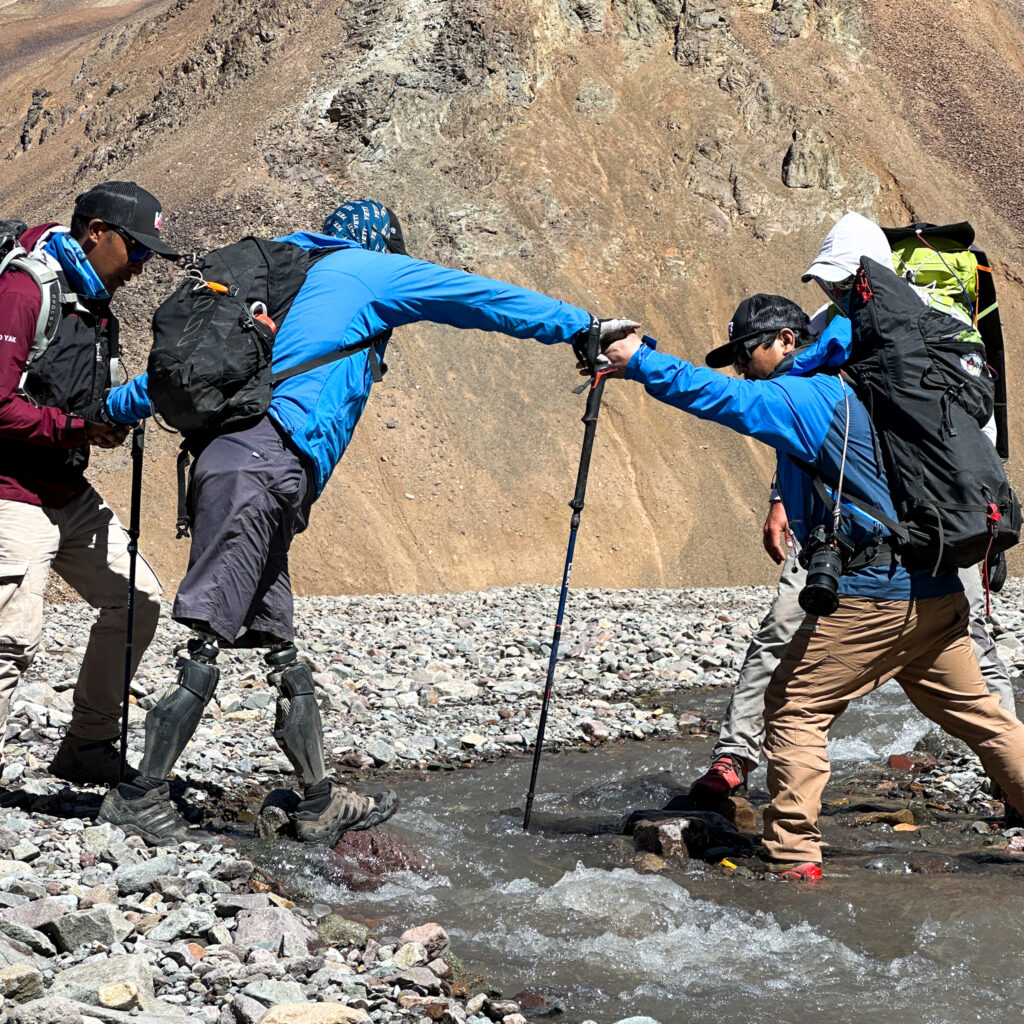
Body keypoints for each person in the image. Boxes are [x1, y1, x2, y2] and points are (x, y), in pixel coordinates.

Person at [97, 199, 636, 846]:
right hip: (265, 465)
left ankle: (320, 799)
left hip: (251, 467)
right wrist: (581, 327)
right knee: (208, 637)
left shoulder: (293, 278)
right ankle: (139, 795)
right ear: (385, 244)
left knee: (276, 638)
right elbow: (473, 296)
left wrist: (108, 409)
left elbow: (181, 378)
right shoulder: (367, 271)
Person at [601, 293, 1024, 880]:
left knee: (794, 707)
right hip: (937, 587)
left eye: (748, 352)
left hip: (877, 594)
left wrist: (639, 362)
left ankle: (793, 860)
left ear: (786, 341)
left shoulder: (808, 395)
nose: (742, 366)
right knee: (982, 714)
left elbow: (722, 398)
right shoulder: (866, 389)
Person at [689, 215, 1017, 802]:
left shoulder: (890, 332)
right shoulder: (868, 332)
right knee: (967, 652)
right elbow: (814, 423)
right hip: (923, 516)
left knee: (799, 675)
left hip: (909, 518)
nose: (831, 294)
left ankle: (769, 809)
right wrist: (779, 496)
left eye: (839, 282)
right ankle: (736, 756)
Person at [0, 182, 179, 786]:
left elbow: (81, 396)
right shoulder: (26, 290)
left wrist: (117, 413)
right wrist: (78, 428)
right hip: (10, 488)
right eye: (137, 249)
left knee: (138, 601)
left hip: (64, 489)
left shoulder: (94, 305)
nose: (142, 265)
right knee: (10, 639)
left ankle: (89, 745)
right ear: (97, 232)